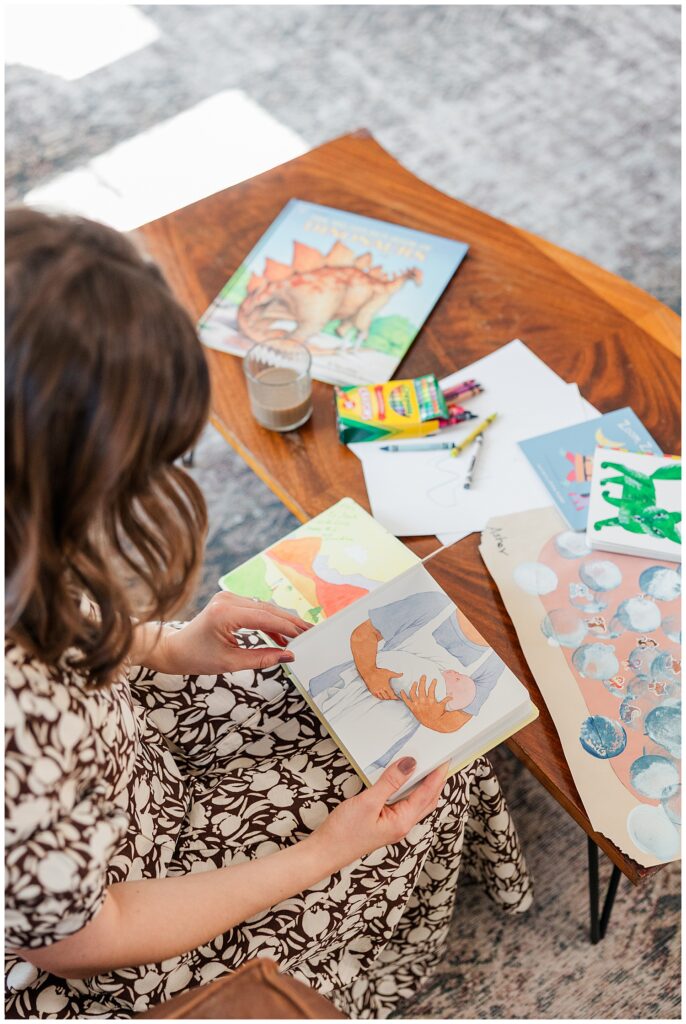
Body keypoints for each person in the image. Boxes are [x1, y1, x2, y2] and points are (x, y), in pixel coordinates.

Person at [5, 208, 532, 1020]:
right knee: (418, 782)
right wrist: (322, 854)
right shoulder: (15, 732)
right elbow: (87, 937)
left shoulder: (23, 559)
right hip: (122, 924)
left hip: (121, 756)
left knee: (377, 721)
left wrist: (169, 646)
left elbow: (59, 632)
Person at [310, 590, 505, 776]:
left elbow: (457, 720)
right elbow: (364, 633)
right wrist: (370, 673)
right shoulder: (433, 604)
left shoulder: (494, 662)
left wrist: (430, 717)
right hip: (336, 693)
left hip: (379, 734)